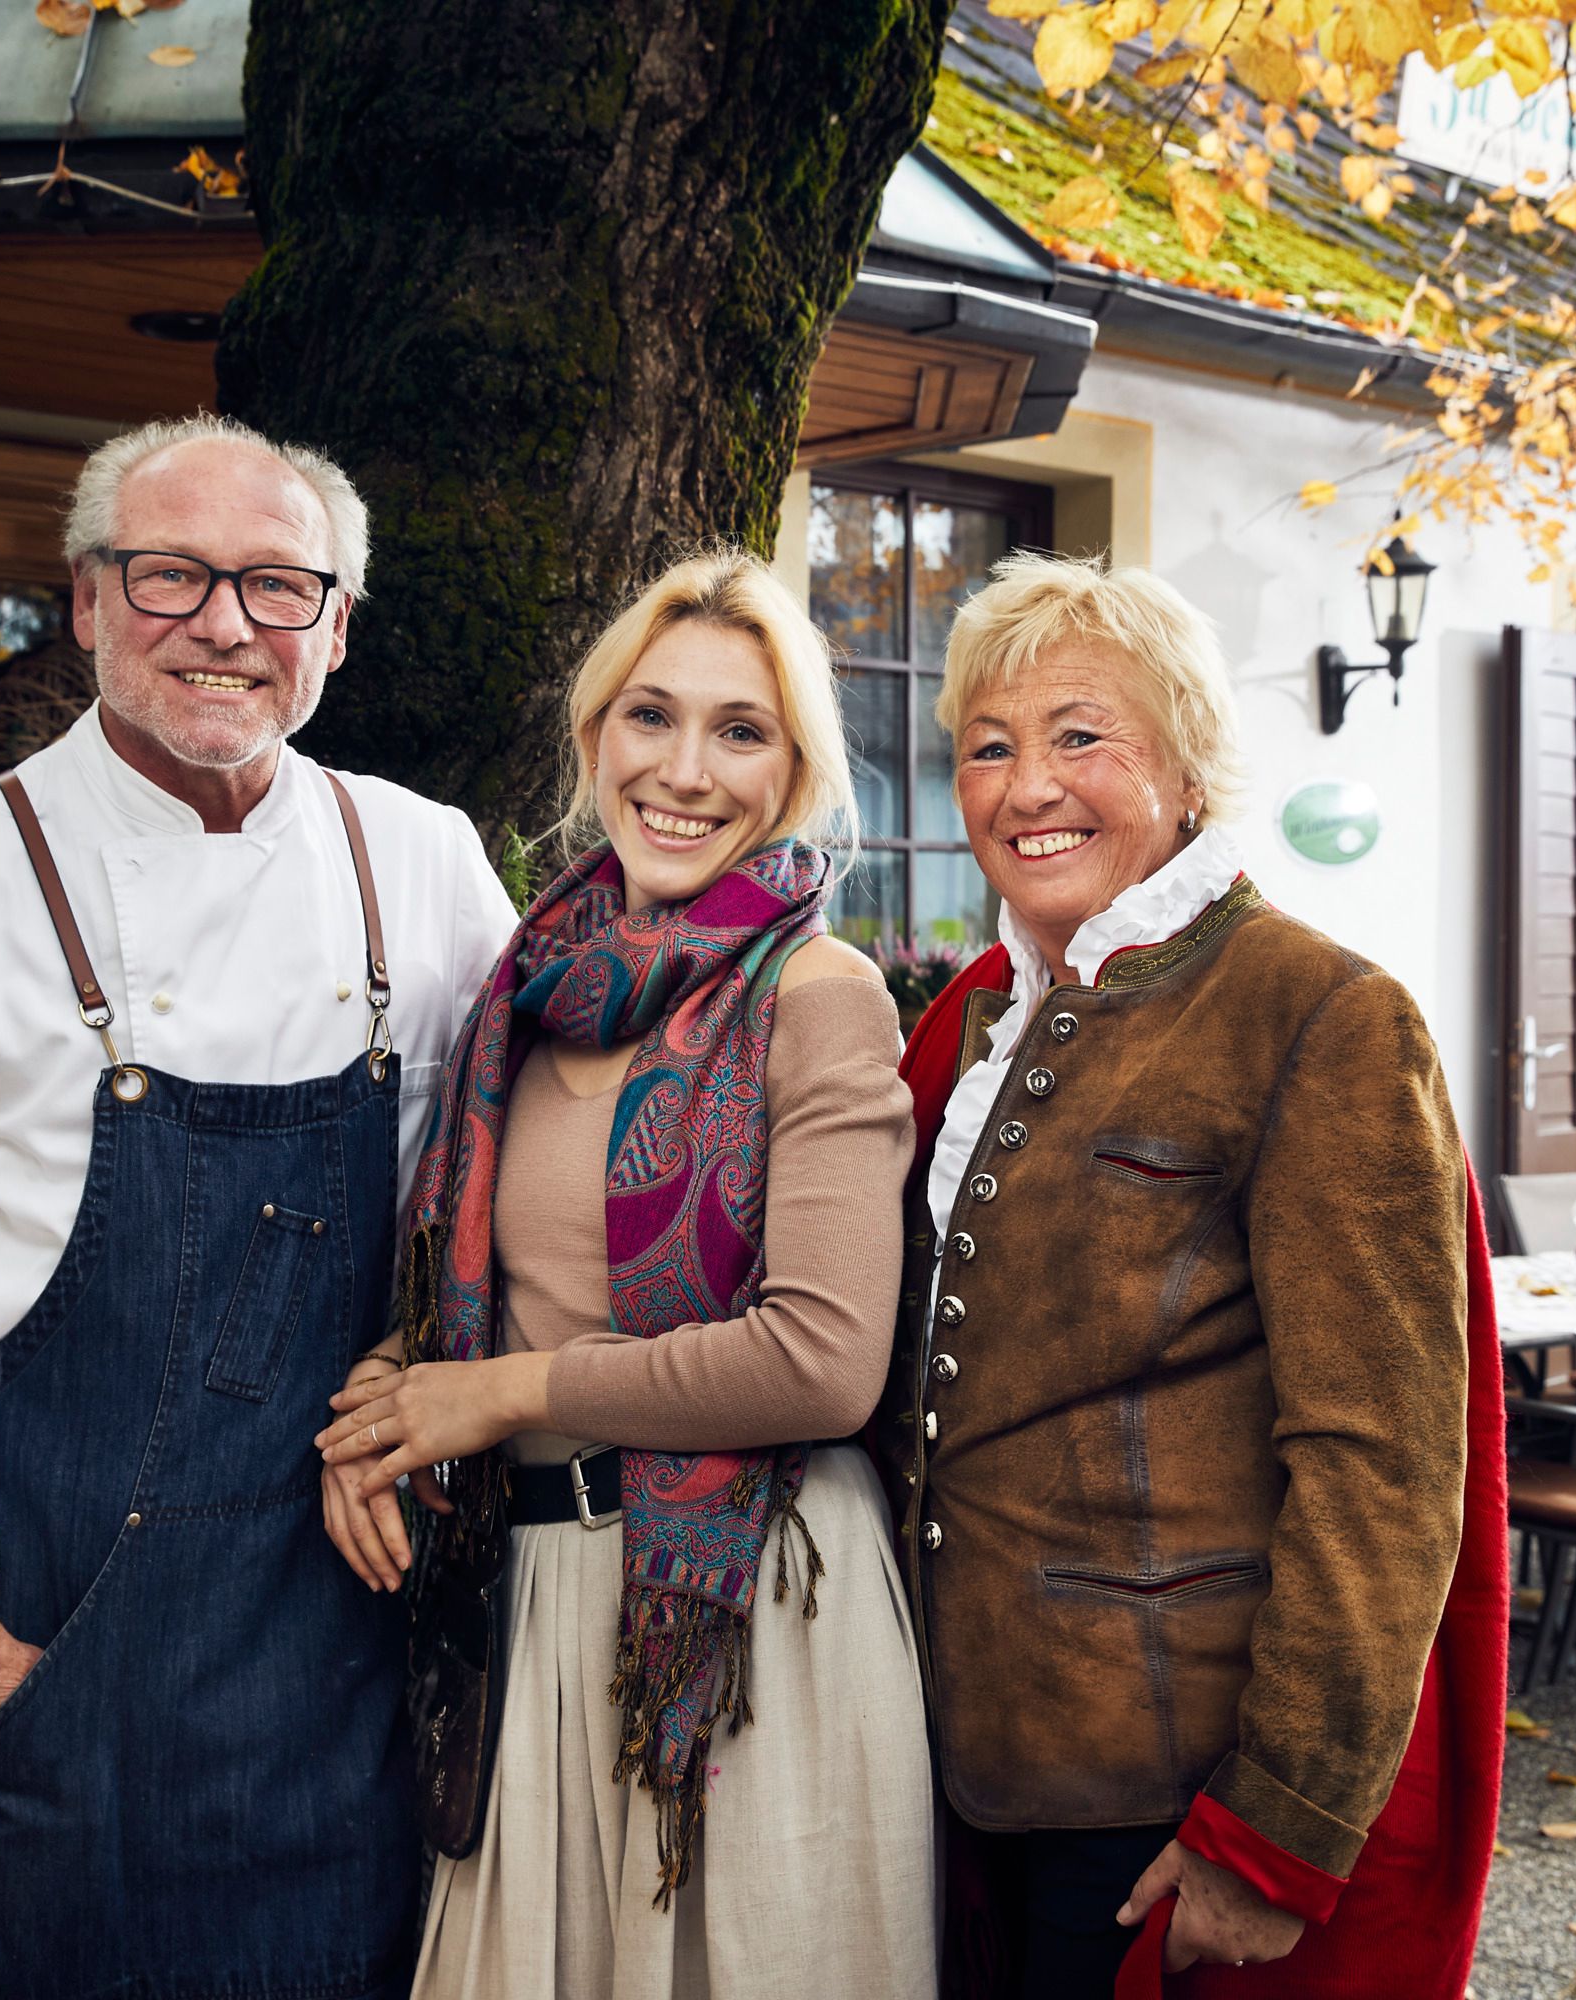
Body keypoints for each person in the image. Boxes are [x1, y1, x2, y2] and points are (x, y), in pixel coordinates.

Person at [0, 412, 517, 2000]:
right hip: (35, 1646)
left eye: (277, 587)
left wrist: (414, 1371)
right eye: (171, 576)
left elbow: (510, 1194)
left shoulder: (421, 866)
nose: (224, 624)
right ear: (87, 602)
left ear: (336, 628)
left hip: (331, 1657)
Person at [878, 554, 1507, 1999]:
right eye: (989, 747)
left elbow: (1385, 1461)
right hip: (957, 1768)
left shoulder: (1319, 1012)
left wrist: (1278, 1823)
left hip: (1167, 1799)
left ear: (1188, 765)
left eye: (1080, 735)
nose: (1027, 785)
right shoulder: (970, 1023)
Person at [311, 550, 936, 1998]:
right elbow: (494, 1300)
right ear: (594, 738)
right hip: (529, 1596)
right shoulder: (523, 988)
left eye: (742, 730)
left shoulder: (817, 995)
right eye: (650, 717)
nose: (685, 769)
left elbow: (822, 1362)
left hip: (747, 1613)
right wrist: (392, 1402)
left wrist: (497, 1393)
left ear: (792, 774)